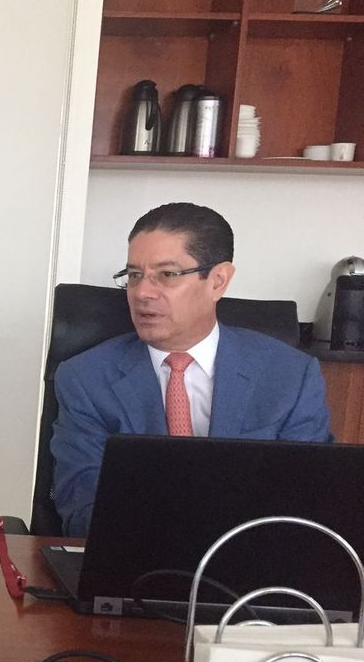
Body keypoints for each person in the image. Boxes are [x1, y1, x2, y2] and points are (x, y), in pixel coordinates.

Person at [51, 202, 332, 538]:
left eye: (167, 275)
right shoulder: (86, 379)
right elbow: (82, 510)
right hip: (135, 555)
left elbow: (308, 505)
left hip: (251, 559)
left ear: (218, 281)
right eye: (134, 275)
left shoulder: (289, 377)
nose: (142, 293)